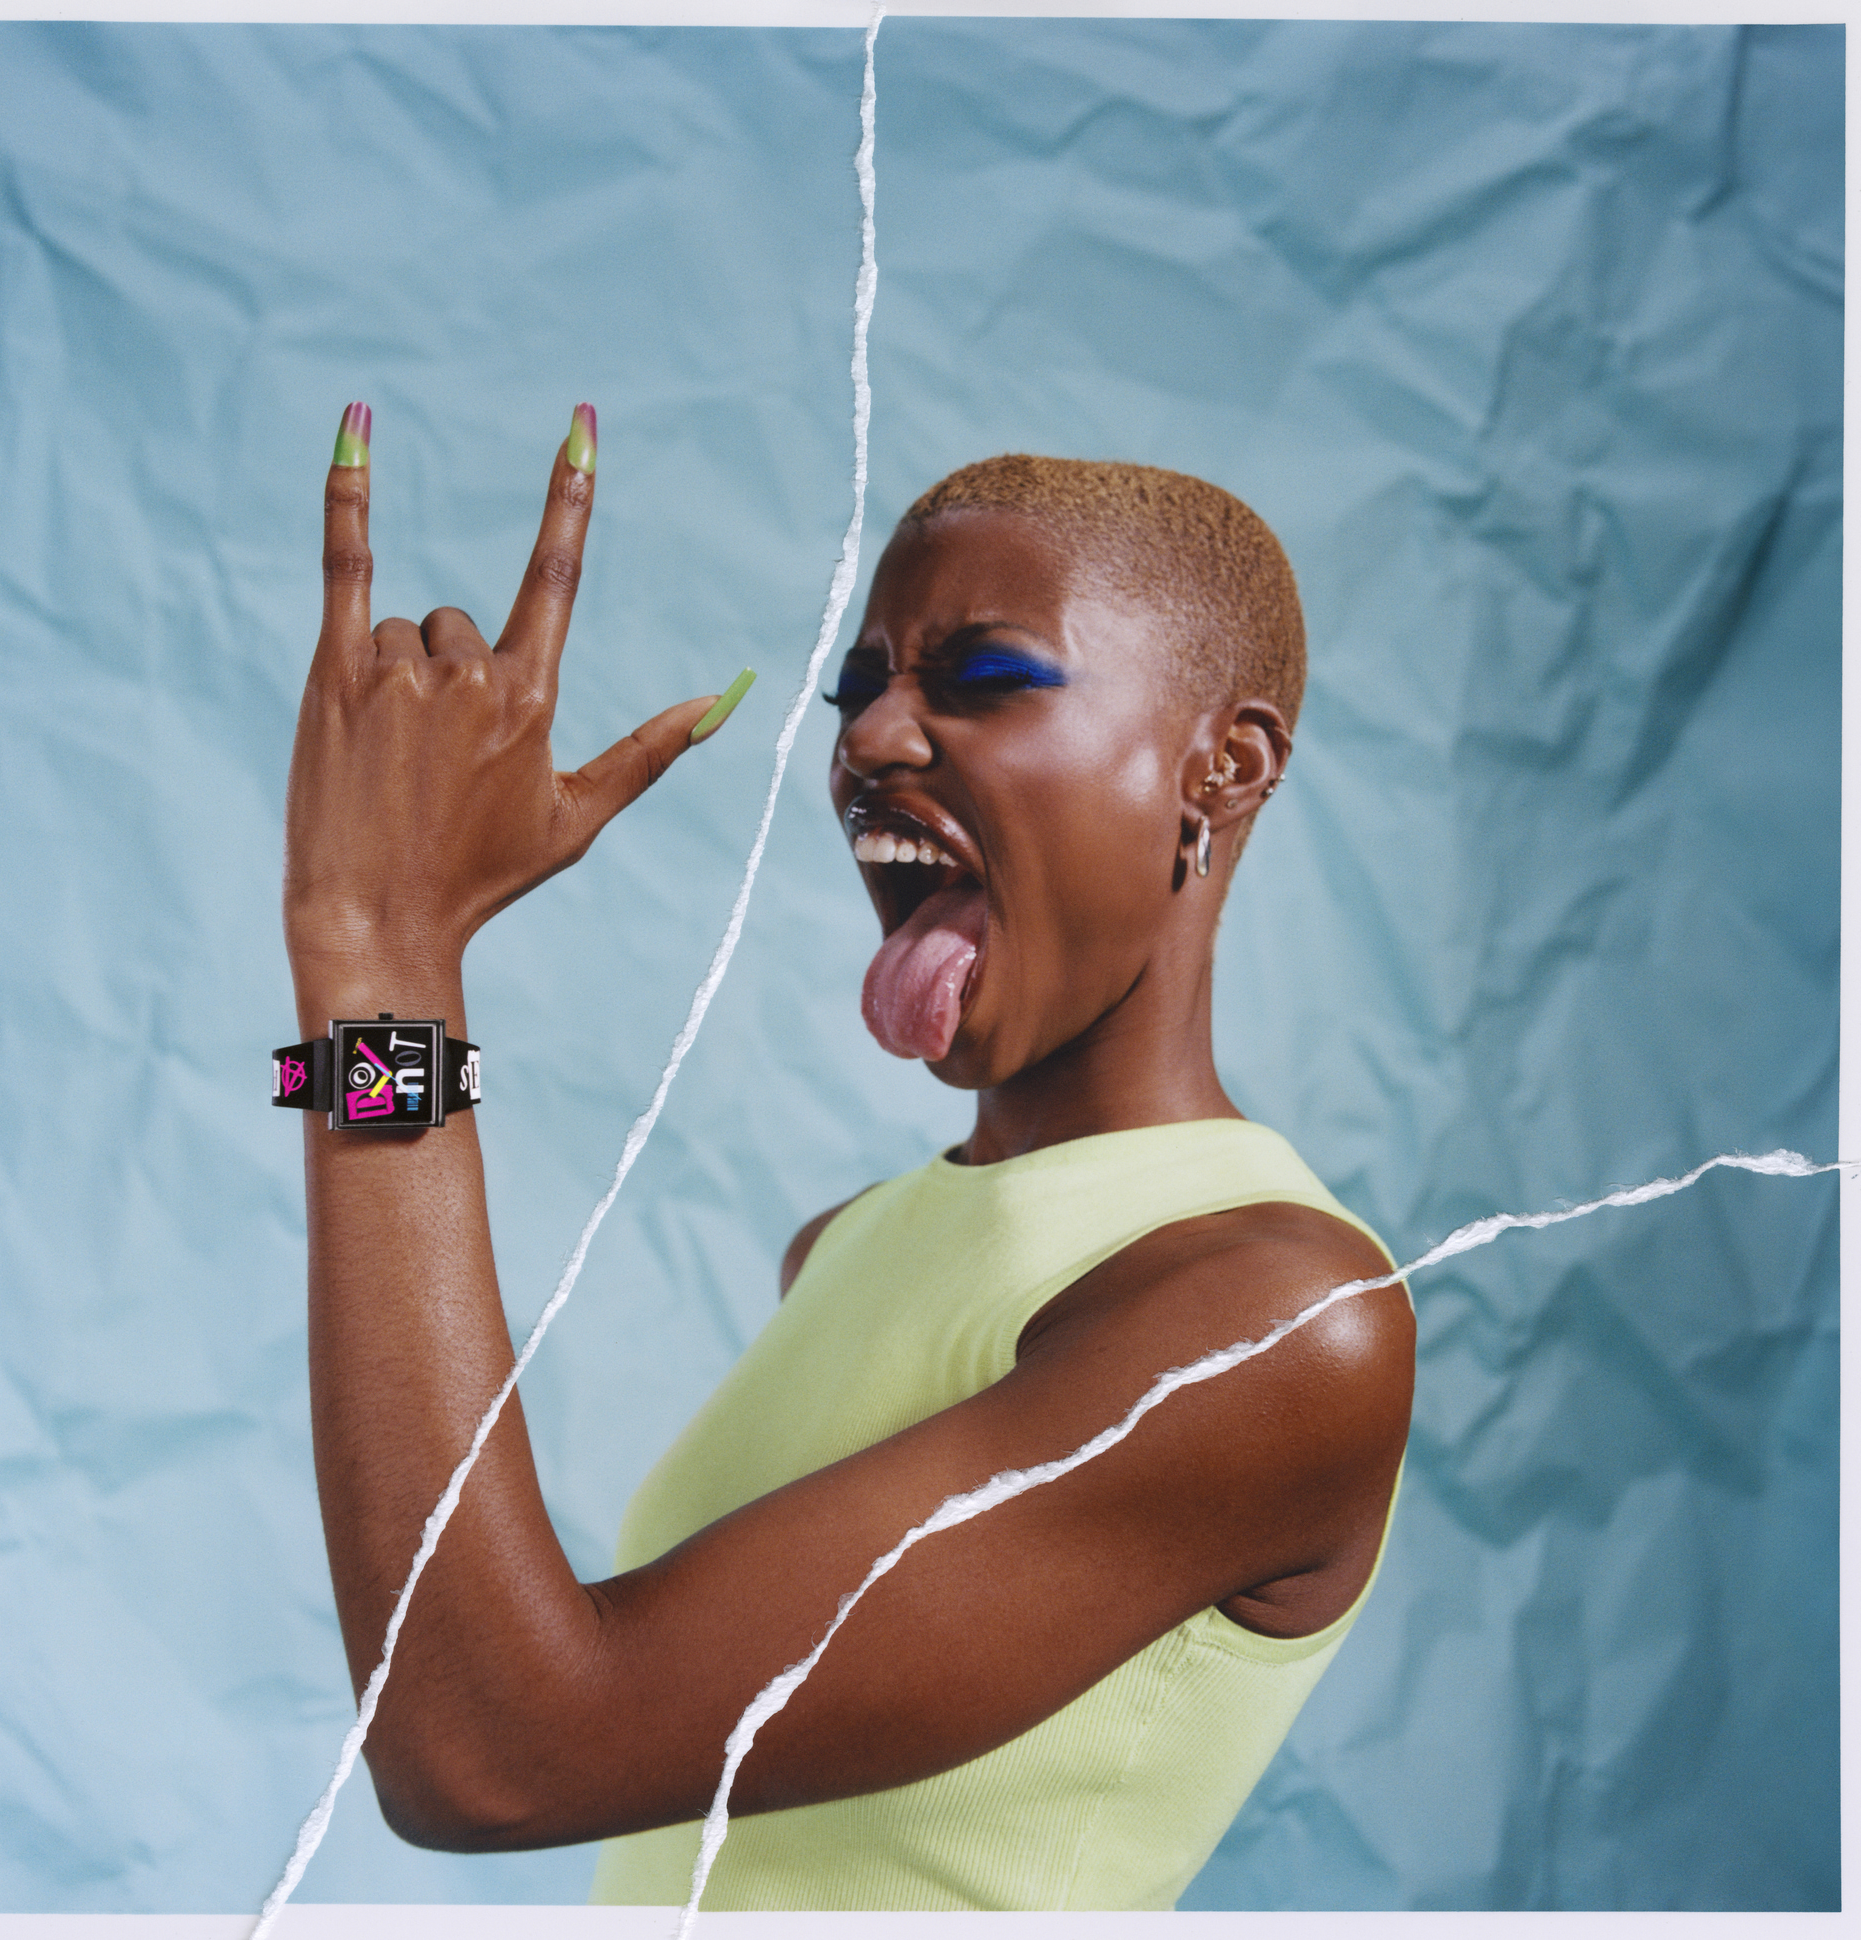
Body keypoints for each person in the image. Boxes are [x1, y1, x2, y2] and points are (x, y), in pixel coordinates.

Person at [282, 404, 1416, 1912]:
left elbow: (494, 1752)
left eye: (987, 680)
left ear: (1222, 769)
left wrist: (377, 961)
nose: (870, 739)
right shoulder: (847, 1244)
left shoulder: (1276, 1323)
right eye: (858, 687)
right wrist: (369, 979)